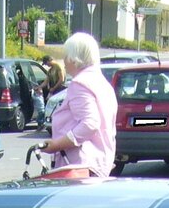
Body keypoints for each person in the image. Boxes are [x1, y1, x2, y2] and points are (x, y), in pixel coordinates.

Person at [41, 32, 117, 177]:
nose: (64, 61)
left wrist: (56, 145)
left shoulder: (79, 83)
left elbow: (90, 124)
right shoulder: (103, 83)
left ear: (74, 58)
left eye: (66, 56)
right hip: (100, 162)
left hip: (80, 165)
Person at [37, 60, 65, 130]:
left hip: (60, 90)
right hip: (53, 91)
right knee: (49, 105)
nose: (47, 65)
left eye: (46, 63)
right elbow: (46, 81)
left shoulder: (58, 67)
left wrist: (54, 88)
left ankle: (60, 123)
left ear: (49, 60)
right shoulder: (50, 71)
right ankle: (48, 122)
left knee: (58, 107)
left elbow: (61, 79)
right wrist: (39, 87)